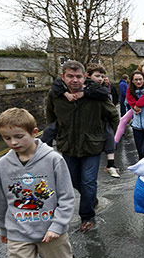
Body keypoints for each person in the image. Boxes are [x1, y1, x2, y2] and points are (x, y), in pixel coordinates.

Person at [0, 108, 80, 258]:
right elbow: (2, 199)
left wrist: (58, 225)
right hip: (18, 232)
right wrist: (3, 229)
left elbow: (66, 196)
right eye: (6, 138)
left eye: (18, 136)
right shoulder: (3, 164)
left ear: (34, 132)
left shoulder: (53, 160)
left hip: (49, 231)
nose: (13, 142)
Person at [46, 60, 119, 232]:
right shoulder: (55, 95)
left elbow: (113, 115)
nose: (75, 80)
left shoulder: (96, 95)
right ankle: (90, 196)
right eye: (70, 76)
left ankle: (87, 217)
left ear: (84, 77)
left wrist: (105, 136)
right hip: (67, 144)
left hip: (91, 146)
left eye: (78, 76)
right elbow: (50, 115)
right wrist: (54, 134)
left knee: (88, 181)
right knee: (72, 180)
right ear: (63, 77)